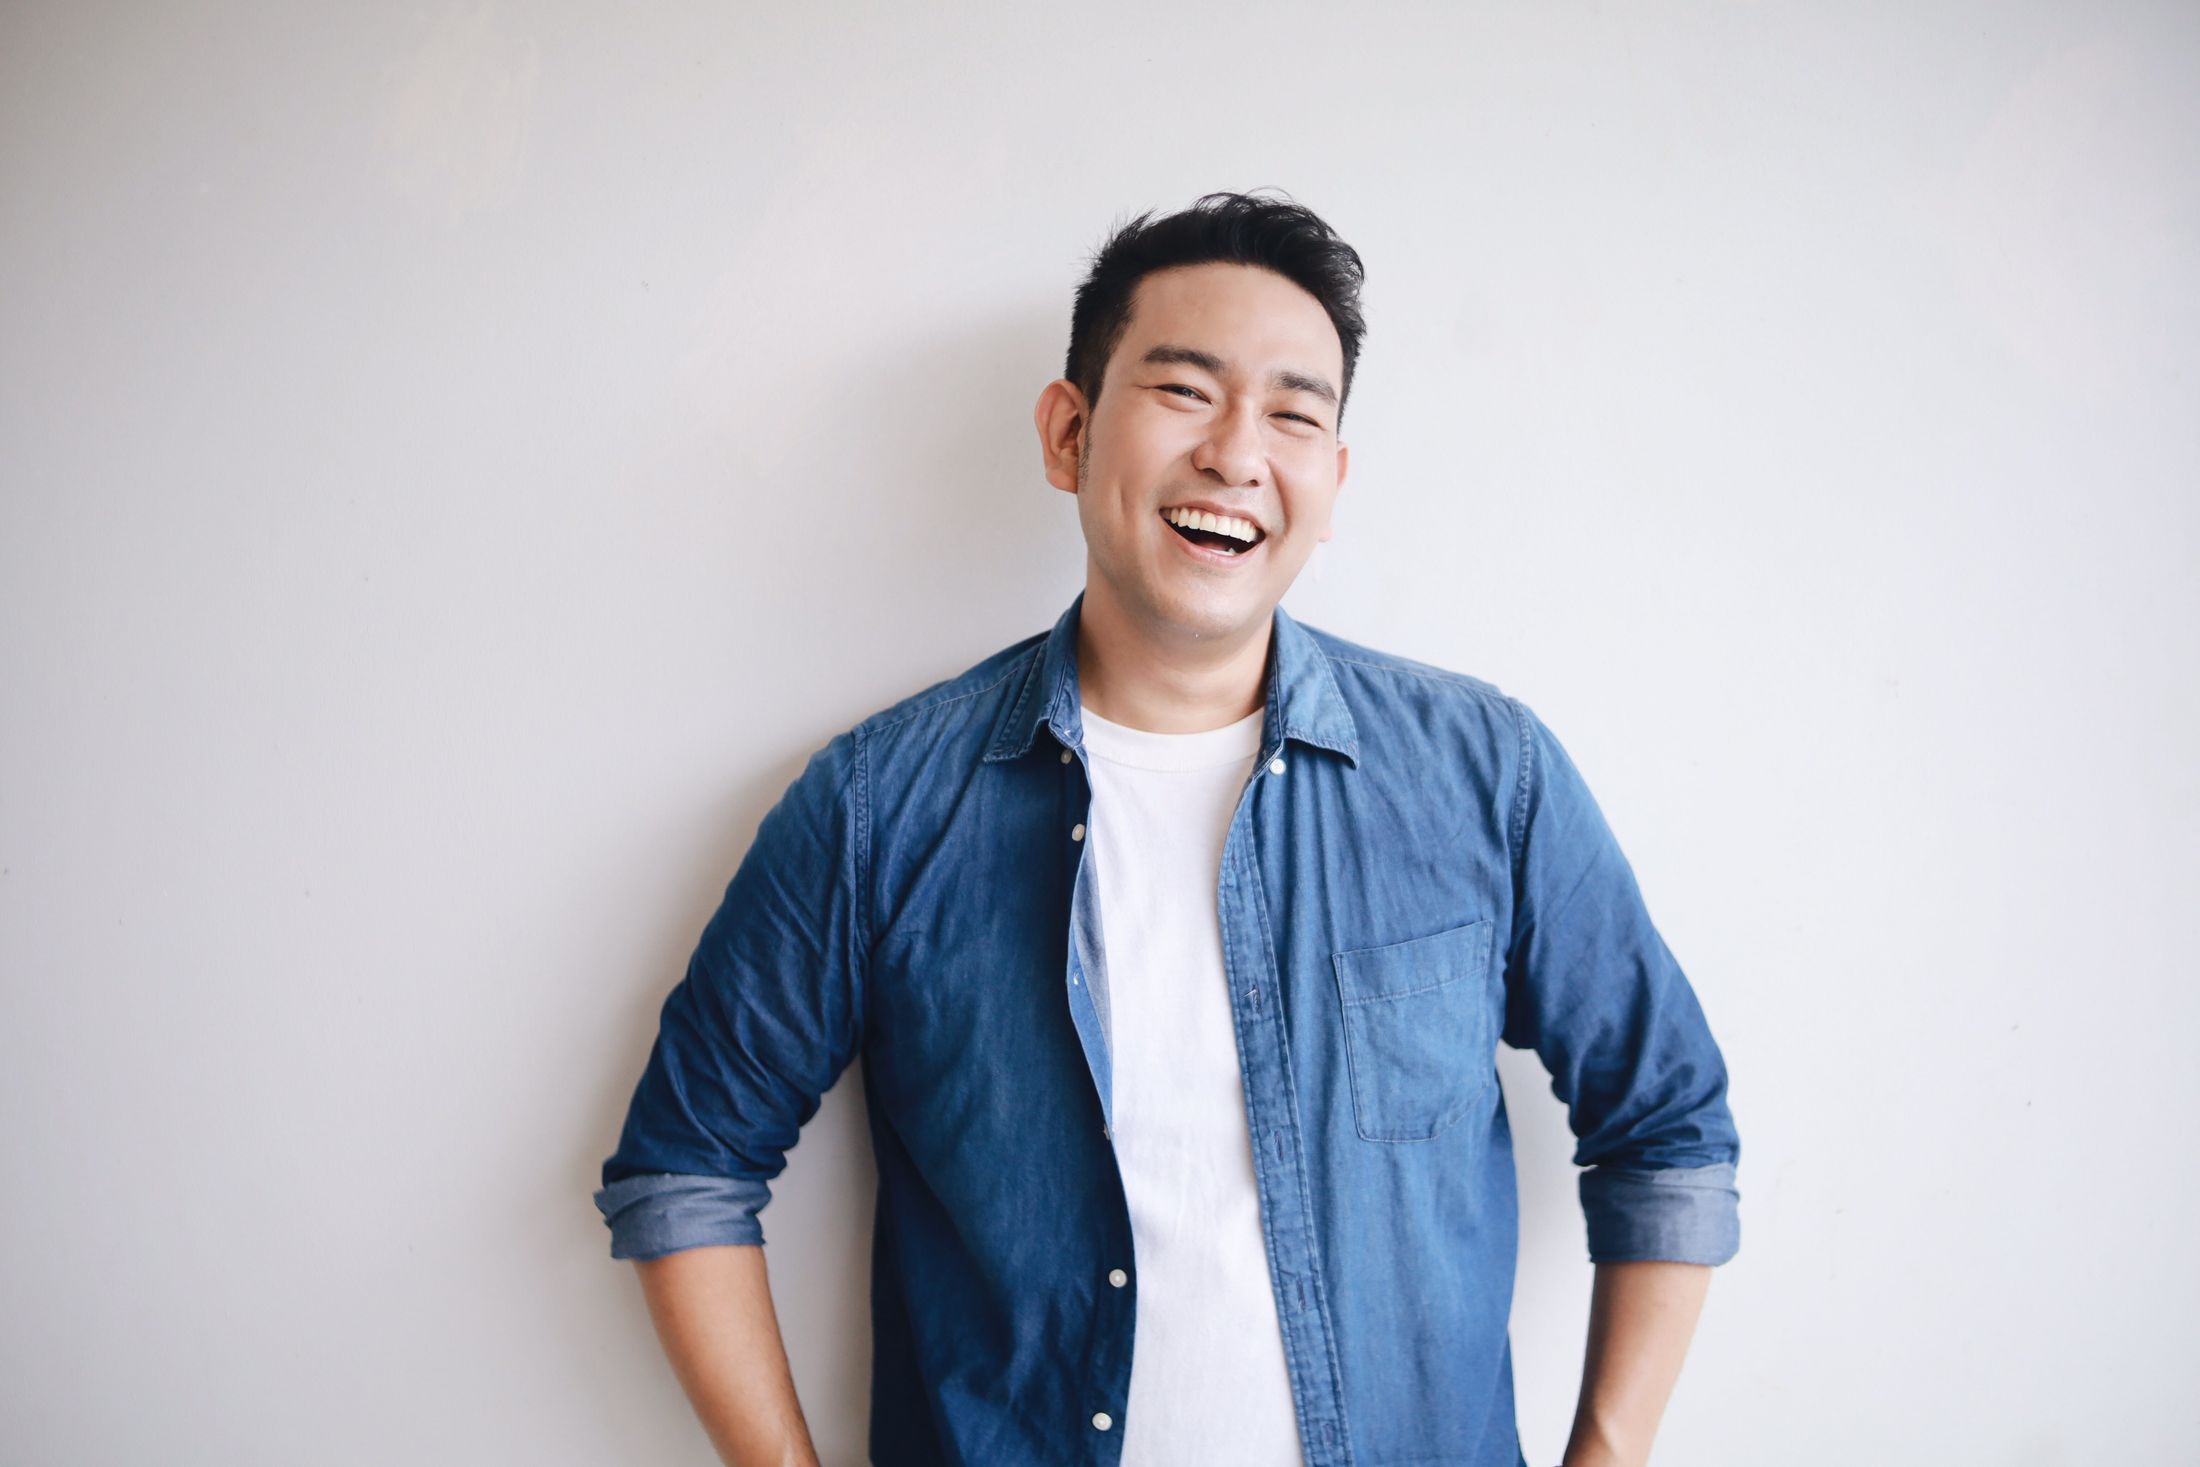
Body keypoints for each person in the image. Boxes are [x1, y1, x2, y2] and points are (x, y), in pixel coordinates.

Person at [593, 189, 1741, 1467]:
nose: (1237, 454)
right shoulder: (881, 804)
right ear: (1068, 432)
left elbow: (1668, 1129)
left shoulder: (1484, 776)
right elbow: (685, 1170)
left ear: (1332, 481)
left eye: (1294, 413)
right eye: (1186, 391)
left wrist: (1610, 1451)